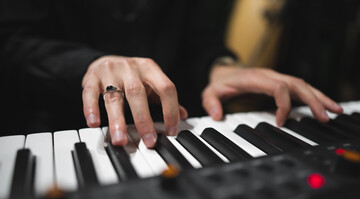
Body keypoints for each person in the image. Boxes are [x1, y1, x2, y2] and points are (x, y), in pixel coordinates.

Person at [0, 0, 343, 148]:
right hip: (54, 128)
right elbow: (11, 45)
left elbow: (201, 42)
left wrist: (221, 68)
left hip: (175, 132)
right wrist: (87, 64)